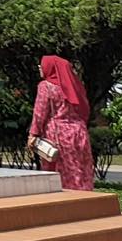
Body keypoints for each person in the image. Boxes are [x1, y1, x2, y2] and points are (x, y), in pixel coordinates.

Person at [29, 54, 95, 192]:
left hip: (58, 134)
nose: (40, 67)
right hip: (79, 133)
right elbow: (85, 109)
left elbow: (40, 112)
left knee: (58, 171)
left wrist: (33, 134)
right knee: (79, 171)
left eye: (42, 65)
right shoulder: (74, 87)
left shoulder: (45, 87)